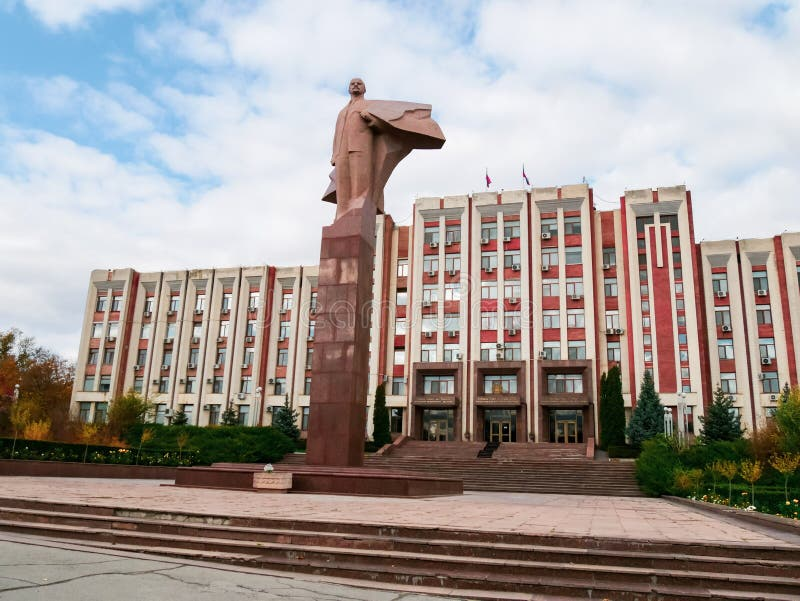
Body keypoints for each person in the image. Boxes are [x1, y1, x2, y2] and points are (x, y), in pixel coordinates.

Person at [323, 78, 446, 221]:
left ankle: (358, 209)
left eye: (359, 83)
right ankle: (342, 213)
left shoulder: (370, 106)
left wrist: (375, 122)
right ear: (349, 89)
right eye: (352, 84)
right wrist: (335, 154)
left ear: (364, 89)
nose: (355, 85)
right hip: (341, 152)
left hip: (360, 147)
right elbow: (337, 134)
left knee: (360, 182)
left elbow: (385, 124)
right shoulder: (342, 112)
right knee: (342, 184)